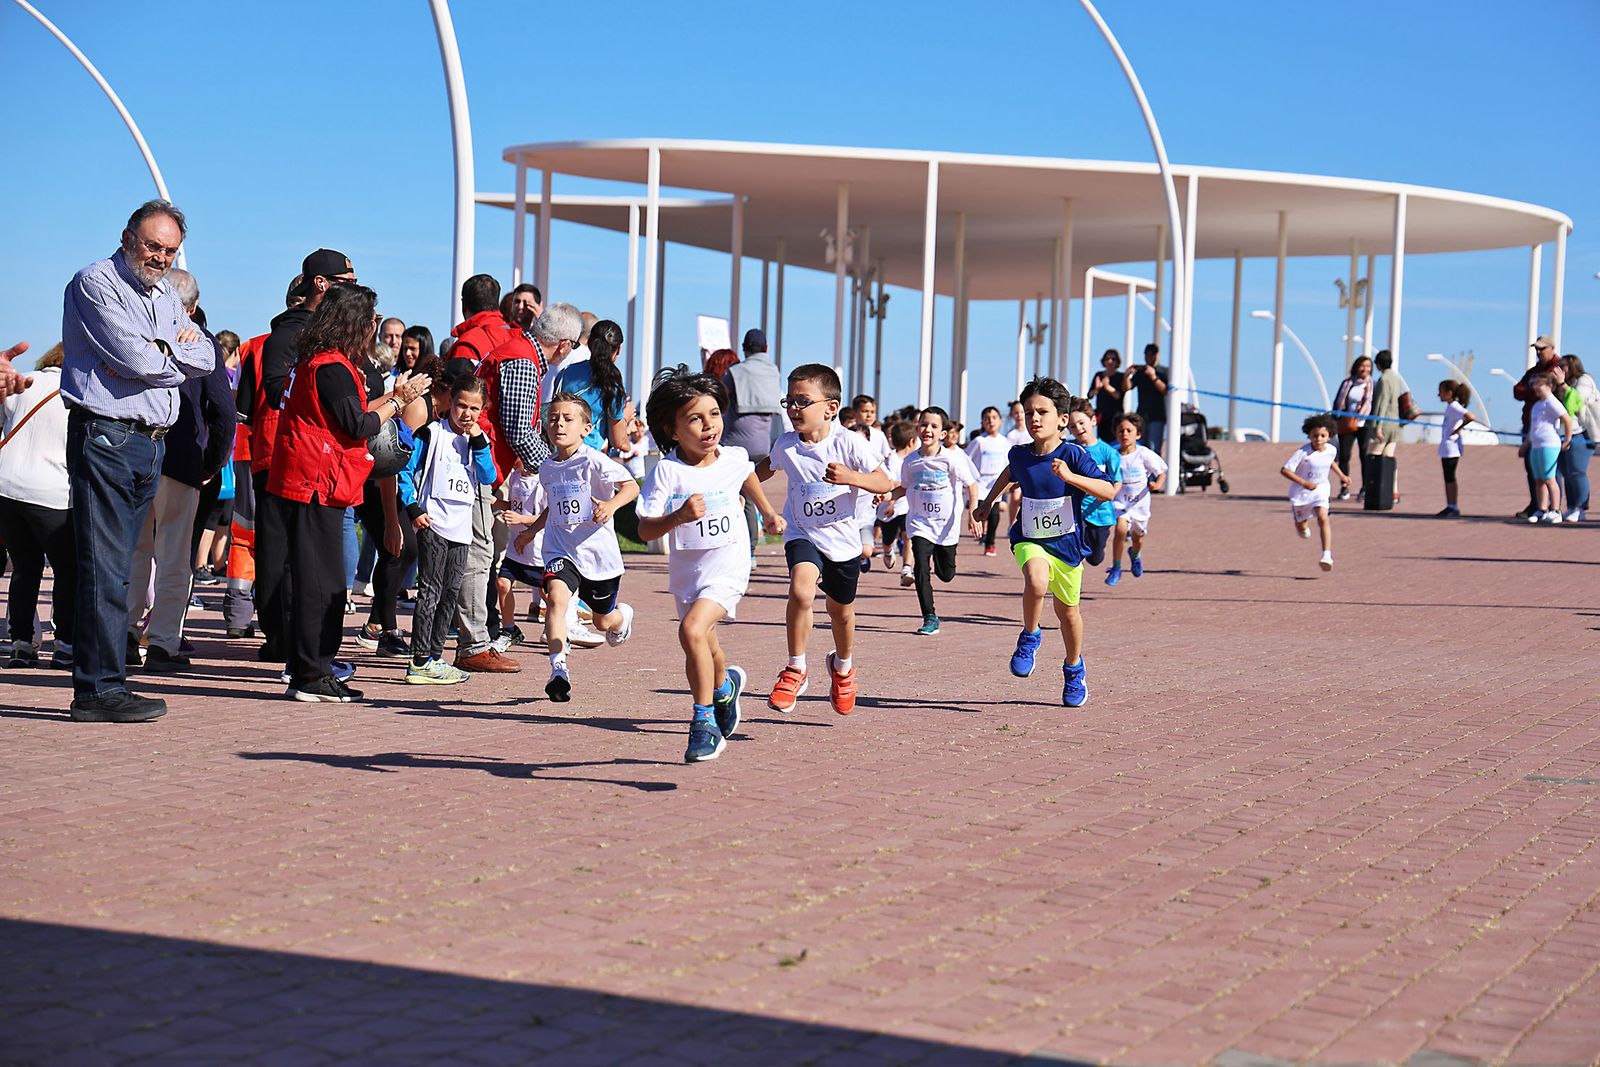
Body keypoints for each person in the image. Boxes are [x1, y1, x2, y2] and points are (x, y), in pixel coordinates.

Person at [60, 199, 215, 722]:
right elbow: (135, 358)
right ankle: (98, 690)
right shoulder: (95, 282)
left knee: (122, 569)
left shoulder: (165, 295)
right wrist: (168, 350)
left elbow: (206, 357)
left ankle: (107, 683)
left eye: (170, 251)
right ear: (128, 237)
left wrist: (162, 348)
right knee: (104, 569)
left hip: (151, 444)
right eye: (153, 246)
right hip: (106, 438)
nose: (161, 258)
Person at [266, 284, 431, 702]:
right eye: (370, 322)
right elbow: (356, 424)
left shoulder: (323, 362)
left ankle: (316, 668)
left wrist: (394, 397)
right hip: (315, 483)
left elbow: (351, 416)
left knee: (325, 583)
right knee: (320, 584)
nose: (373, 331)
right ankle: (309, 674)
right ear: (353, 324)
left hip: (318, 480)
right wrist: (397, 404)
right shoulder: (330, 366)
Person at [637, 367, 784, 762]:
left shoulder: (733, 457)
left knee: (691, 631)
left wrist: (768, 512)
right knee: (703, 643)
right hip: (689, 574)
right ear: (671, 430)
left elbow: (747, 475)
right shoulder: (667, 472)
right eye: (695, 418)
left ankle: (703, 723)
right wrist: (677, 518)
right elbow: (646, 529)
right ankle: (724, 689)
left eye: (715, 413)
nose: (709, 425)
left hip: (729, 565)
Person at [757, 364, 894, 715]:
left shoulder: (850, 443)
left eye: (803, 401)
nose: (793, 409)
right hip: (803, 533)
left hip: (843, 541)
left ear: (831, 407)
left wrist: (852, 477)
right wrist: (739, 488)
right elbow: (761, 471)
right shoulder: (786, 445)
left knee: (840, 613)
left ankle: (843, 667)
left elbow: (885, 482)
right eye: (789, 401)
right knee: (801, 590)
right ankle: (795, 668)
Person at [972, 377, 1116, 708]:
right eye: (1028, 411)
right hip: (1030, 538)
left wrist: (1070, 478)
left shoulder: (1075, 455)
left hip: (1066, 545)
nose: (1034, 418)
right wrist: (987, 503)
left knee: (1068, 614)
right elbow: (1009, 473)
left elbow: (1108, 490)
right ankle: (1030, 635)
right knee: (1036, 581)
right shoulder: (1020, 454)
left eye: (1042, 411)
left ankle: (1073, 667)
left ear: (1062, 419)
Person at [249, 250, 358, 667]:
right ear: (321, 284)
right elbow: (275, 390)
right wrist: (321, 385)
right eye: (346, 282)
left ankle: (302, 645)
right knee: (280, 554)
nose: (352, 289)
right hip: (281, 457)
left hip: (326, 462)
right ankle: (281, 638)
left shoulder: (336, 337)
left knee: (313, 560)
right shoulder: (286, 336)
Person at [125, 269, 236, 673]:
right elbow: (223, 412)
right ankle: (163, 643)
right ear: (191, 306)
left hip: (135, 453)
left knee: (136, 552)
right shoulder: (200, 343)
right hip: (182, 460)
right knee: (174, 556)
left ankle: (126, 634)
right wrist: (213, 462)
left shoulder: (134, 334)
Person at [505, 394, 638, 702]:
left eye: (568, 419)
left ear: (585, 428)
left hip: (597, 556)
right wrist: (531, 532)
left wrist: (611, 505)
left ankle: (621, 617)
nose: (559, 424)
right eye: (553, 419)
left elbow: (630, 486)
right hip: (560, 551)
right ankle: (558, 670)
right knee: (554, 601)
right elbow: (553, 507)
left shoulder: (594, 460)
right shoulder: (547, 468)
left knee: (603, 621)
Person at [398, 377, 498, 685]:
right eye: (461, 406)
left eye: (474, 408)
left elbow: (488, 476)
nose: (467, 414)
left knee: (450, 594)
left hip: (460, 529)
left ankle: (435, 656)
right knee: (430, 589)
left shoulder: (476, 440)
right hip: (433, 523)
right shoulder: (431, 433)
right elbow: (405, 470)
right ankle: (419, 660)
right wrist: (413, 507)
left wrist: (480, 441)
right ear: (450, 403)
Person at [0, 343, 73, 669]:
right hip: (52, 491)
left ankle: (20, 642)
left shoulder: (23, 381)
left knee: (23, 569)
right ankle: (66, 644)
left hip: (7, 486)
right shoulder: (77, 393)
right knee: (67, 570)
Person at [890, 406, 980, 636]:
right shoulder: (910, 461)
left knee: (946, 574)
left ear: (942, 433)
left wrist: (973, 512)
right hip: (920, 523)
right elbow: (905, 486)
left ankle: (946, 565)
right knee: (920, 565)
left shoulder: (951, 459)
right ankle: (929, 616)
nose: (927, 429)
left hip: (946, 526)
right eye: (923, 424)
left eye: (933, 426)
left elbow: (971, 484)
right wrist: (889, 498)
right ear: (917, 429)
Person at [723, 328, 783, 556]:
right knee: (748, 497)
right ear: (766, 349)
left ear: (744, 349)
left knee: (734, 496)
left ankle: (742, 550)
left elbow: (720, 398)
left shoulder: (734, 372)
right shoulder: (773, 372)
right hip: (763, 445)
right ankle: (749, 550)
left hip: (735, 443)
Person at [552, 319, 633, 453]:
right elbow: (619, 442)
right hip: (590, 456)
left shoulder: (565, 373)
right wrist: (626, 416)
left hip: (560, 453)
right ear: (618, 349)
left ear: (589, 343)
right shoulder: (613, 383)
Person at [1281, 414, 1350, 571]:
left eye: (1323, 436)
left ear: (1329, 436)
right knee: (1302, 526)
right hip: (1301, 493)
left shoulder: (1331, 450)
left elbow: (1330, 462)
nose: (1318, 439)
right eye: (1315, 435)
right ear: (1309, 435)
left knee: (1323, 517)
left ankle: (1326, 555)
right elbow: (1284, 470)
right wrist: (1304, 483)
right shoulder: (1303, 453)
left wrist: (1342, 476)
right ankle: (1301, 524)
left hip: (1321, 489)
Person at [1105, 413, 1167, 587]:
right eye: (1120, 431)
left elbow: (1161, 472)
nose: (1124, 434)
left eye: (1128, 430)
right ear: (1116, 434)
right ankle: (1116, 567)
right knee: (1120, 529)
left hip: (1139, 504)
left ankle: (1135, 554)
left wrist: (1157, 484)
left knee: (1138, 536)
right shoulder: (1114, 456)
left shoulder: (1143, 454)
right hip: (1120, 503)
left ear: (1138, 434)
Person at [1512, 337, 1566, 517]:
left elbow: (1559, 405)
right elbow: (1517, 390)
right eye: (1536, 349)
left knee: (1551, 472)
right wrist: (1531, 392)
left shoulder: (1558, 367)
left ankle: (1555, 507)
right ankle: (1538, 505)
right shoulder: (1534, 371)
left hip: (1549, 436)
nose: (1538, 352)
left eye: (1542, 349)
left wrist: (1532, 391)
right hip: (1532, 428)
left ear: (1551, 348)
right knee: (1534, 471)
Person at [1066, 399, 1121, 570]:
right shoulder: (1070, 449)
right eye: (1073, 427)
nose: (1078, 429)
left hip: (1100, 513)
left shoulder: (1108, 452)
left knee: (1095, 558)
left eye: (1081, 423)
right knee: (1073, 549)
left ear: (1093, 420)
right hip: (1076, 510)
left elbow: (1117, 481)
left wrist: (1106, 495)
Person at [1362, 349, 1415, 506]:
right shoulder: (1397, 378)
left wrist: (1377, 425)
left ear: (1378, 364)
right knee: (1389, 458)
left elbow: (1382, 402)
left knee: (1374, 456)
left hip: (1384, 423)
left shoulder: (1384, 379)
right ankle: (1393, 490)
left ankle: (1372, 490)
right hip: (1396, 423)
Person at [1523, 373, 1573, 524]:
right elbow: (1533, 427)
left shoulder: (1552, 402)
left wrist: (1568, 438)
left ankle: (1555, 509)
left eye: (1540, 387)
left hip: (1549, 444)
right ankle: (1542, 508)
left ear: (1549, 386)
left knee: (1549, 478)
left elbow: (1566, 418)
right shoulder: (1537, 405)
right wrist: (1526, 443)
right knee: (1538, 479)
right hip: (1536, 444)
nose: (1537, 390)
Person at [964, 405, 1011, 556]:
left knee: (994, 514)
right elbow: (966, 459)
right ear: (982, 422)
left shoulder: (1005, 442)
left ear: (1000, 421)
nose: (991, 421)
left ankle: (990, 543)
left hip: (996, 483)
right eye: (987, 419)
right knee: (979, 511)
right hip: (980, 483)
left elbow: (1008, 462)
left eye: (994, 418)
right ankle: (979, 532)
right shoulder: (979, 441)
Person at [1561, 354, 1598, 521]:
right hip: (1564, 431)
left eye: (1564, 366)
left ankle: (1581, 507)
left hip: (1582, 431)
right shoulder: (1564, 384)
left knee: (1577, 470)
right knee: (1566, 471)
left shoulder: (1584, 380)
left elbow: (1575, 402)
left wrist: (1561, 385)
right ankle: (1571, 506)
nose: (1561, 370)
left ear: (1573, 366)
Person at [1332, 355, 1374, 499]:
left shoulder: (1371, 385)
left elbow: (1372, 404)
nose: (1365, 369)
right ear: (1356, 367)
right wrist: (1336, 418)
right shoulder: (1347, 383)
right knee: (1344, 455)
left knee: (1364, 455)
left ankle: (1365, 487)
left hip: (1364, 423)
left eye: (1368, 366)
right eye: (1362, 366)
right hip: (1347, 422)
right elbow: (1338, 401)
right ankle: (1344, 486)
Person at [878, 420, 915, 575]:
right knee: (888, 539)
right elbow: (891, 483)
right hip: (889, 507)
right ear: (911, 441)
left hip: (907, 506)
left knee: (908, 535)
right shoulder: (891, 460)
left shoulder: (914, 458)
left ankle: (907, 567)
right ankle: (887, 551)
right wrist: (891, 502)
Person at [1436, 380, 1476, 518]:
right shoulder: (1450, 407)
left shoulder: (1454, 406)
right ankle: (1450, 504)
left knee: (1450, 477)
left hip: (1451, 447)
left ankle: (1453, 506)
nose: (1438, 395)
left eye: (1441, 391)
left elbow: (1470, 416)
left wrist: (1459, 429)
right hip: (1446, 447)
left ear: (1449, 393)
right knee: (1448, 477)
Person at [1123, 343, 1169, 453]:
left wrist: (1153, 377)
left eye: (1152, 354)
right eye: (1147, 355)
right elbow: (1127, 388)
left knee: (1154, 448)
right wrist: (1126, 376)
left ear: (1157, 355)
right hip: (1142, 415)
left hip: (1157, 415)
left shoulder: (1164, 372)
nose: (1149, 357)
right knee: (1140, 448)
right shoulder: (1141, 372)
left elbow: (1165, 390)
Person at [1088, 349, 1125, 443]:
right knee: (1101, 441)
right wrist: (1097, 389)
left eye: (1113, 359)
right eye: (1107, 358)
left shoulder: (1121, 376)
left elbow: (1119, 396)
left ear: (1117, 362)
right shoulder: (1099, 375)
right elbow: (1090, 395)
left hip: (1116, 416)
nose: (1110, 361)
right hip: (1102, 416)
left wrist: (1107, 387)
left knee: (1115, 441)